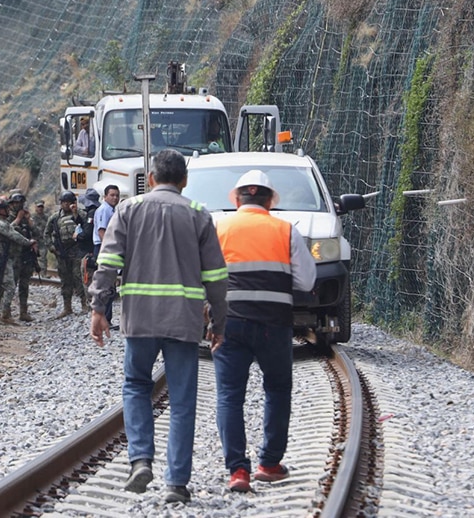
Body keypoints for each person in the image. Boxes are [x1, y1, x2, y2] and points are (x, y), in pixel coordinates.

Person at [88, 149, 229, 504]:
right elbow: (215, 276)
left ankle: (140, 460)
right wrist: (219, 321)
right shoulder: (198, 215)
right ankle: (176, 484)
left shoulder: (129, 210)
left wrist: (98, 308)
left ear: (150, 178)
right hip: (183, 321)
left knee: (136, 386)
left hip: (140, 318)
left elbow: (107, 262)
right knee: (182, 401)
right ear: (184, 181)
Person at [212, 169, 316, 493]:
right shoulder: (285, 231)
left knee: (230, 396)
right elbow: (307, 281)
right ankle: (269, 464)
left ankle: (237, 472)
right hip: (274, 324)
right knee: (277, 389)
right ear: (270, 200)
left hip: (230, 323)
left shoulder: (220, 227)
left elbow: (203, 276)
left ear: (237, 198)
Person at [0, 197, 37, 324]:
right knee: (10, 286)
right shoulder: (0, 224)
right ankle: (5, 314)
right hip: (3, 259)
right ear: (0, 211)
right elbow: (13, 234)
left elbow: (9, 228)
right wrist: (28, 242)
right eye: (6, 208)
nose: (8, 210)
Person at [45, 191, 89, 318]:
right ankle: (67, 307)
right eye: (63, 202)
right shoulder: (55, 217)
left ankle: (84, 304)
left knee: (79, 277)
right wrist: (52, 248)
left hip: (77, 251)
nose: (65, 205)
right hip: (62, 252)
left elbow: (87, 226)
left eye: (68, 202)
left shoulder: (80, 214)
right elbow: (46, 234)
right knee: (65, 280)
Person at [8, 192, 38, 322]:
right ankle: (6, 312)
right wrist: (18, 219)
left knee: (24, 285)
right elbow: (8, 231)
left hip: (26, 256)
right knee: (10, 285)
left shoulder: (26, 218)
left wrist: (29, 221)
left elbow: (37, 233)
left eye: (20, 203)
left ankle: (23, 312)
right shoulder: (8, 217)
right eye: (16, 203)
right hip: (13, 257)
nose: (19, 205)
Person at [92, 184, 120, 325]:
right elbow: (102, 231)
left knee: (109, 286)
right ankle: (105, 318)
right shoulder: (105, 210)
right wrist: (109, 249)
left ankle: (107, 318)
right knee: (107, 286)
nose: (115, 198)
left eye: (117, 195)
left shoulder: (111, 210)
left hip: (105, 247)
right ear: (105, 196)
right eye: (112, 195)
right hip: (103, 248)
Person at [30, 200, 50, 276]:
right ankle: (32, 273)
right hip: (33, 241)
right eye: (38, 207)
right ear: (35, 207)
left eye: (41, 207)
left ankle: (43, 274)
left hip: (42, 241)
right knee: (32, 258)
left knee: (43, 258)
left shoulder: (46, 218)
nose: (40, 208)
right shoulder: (31, 217)